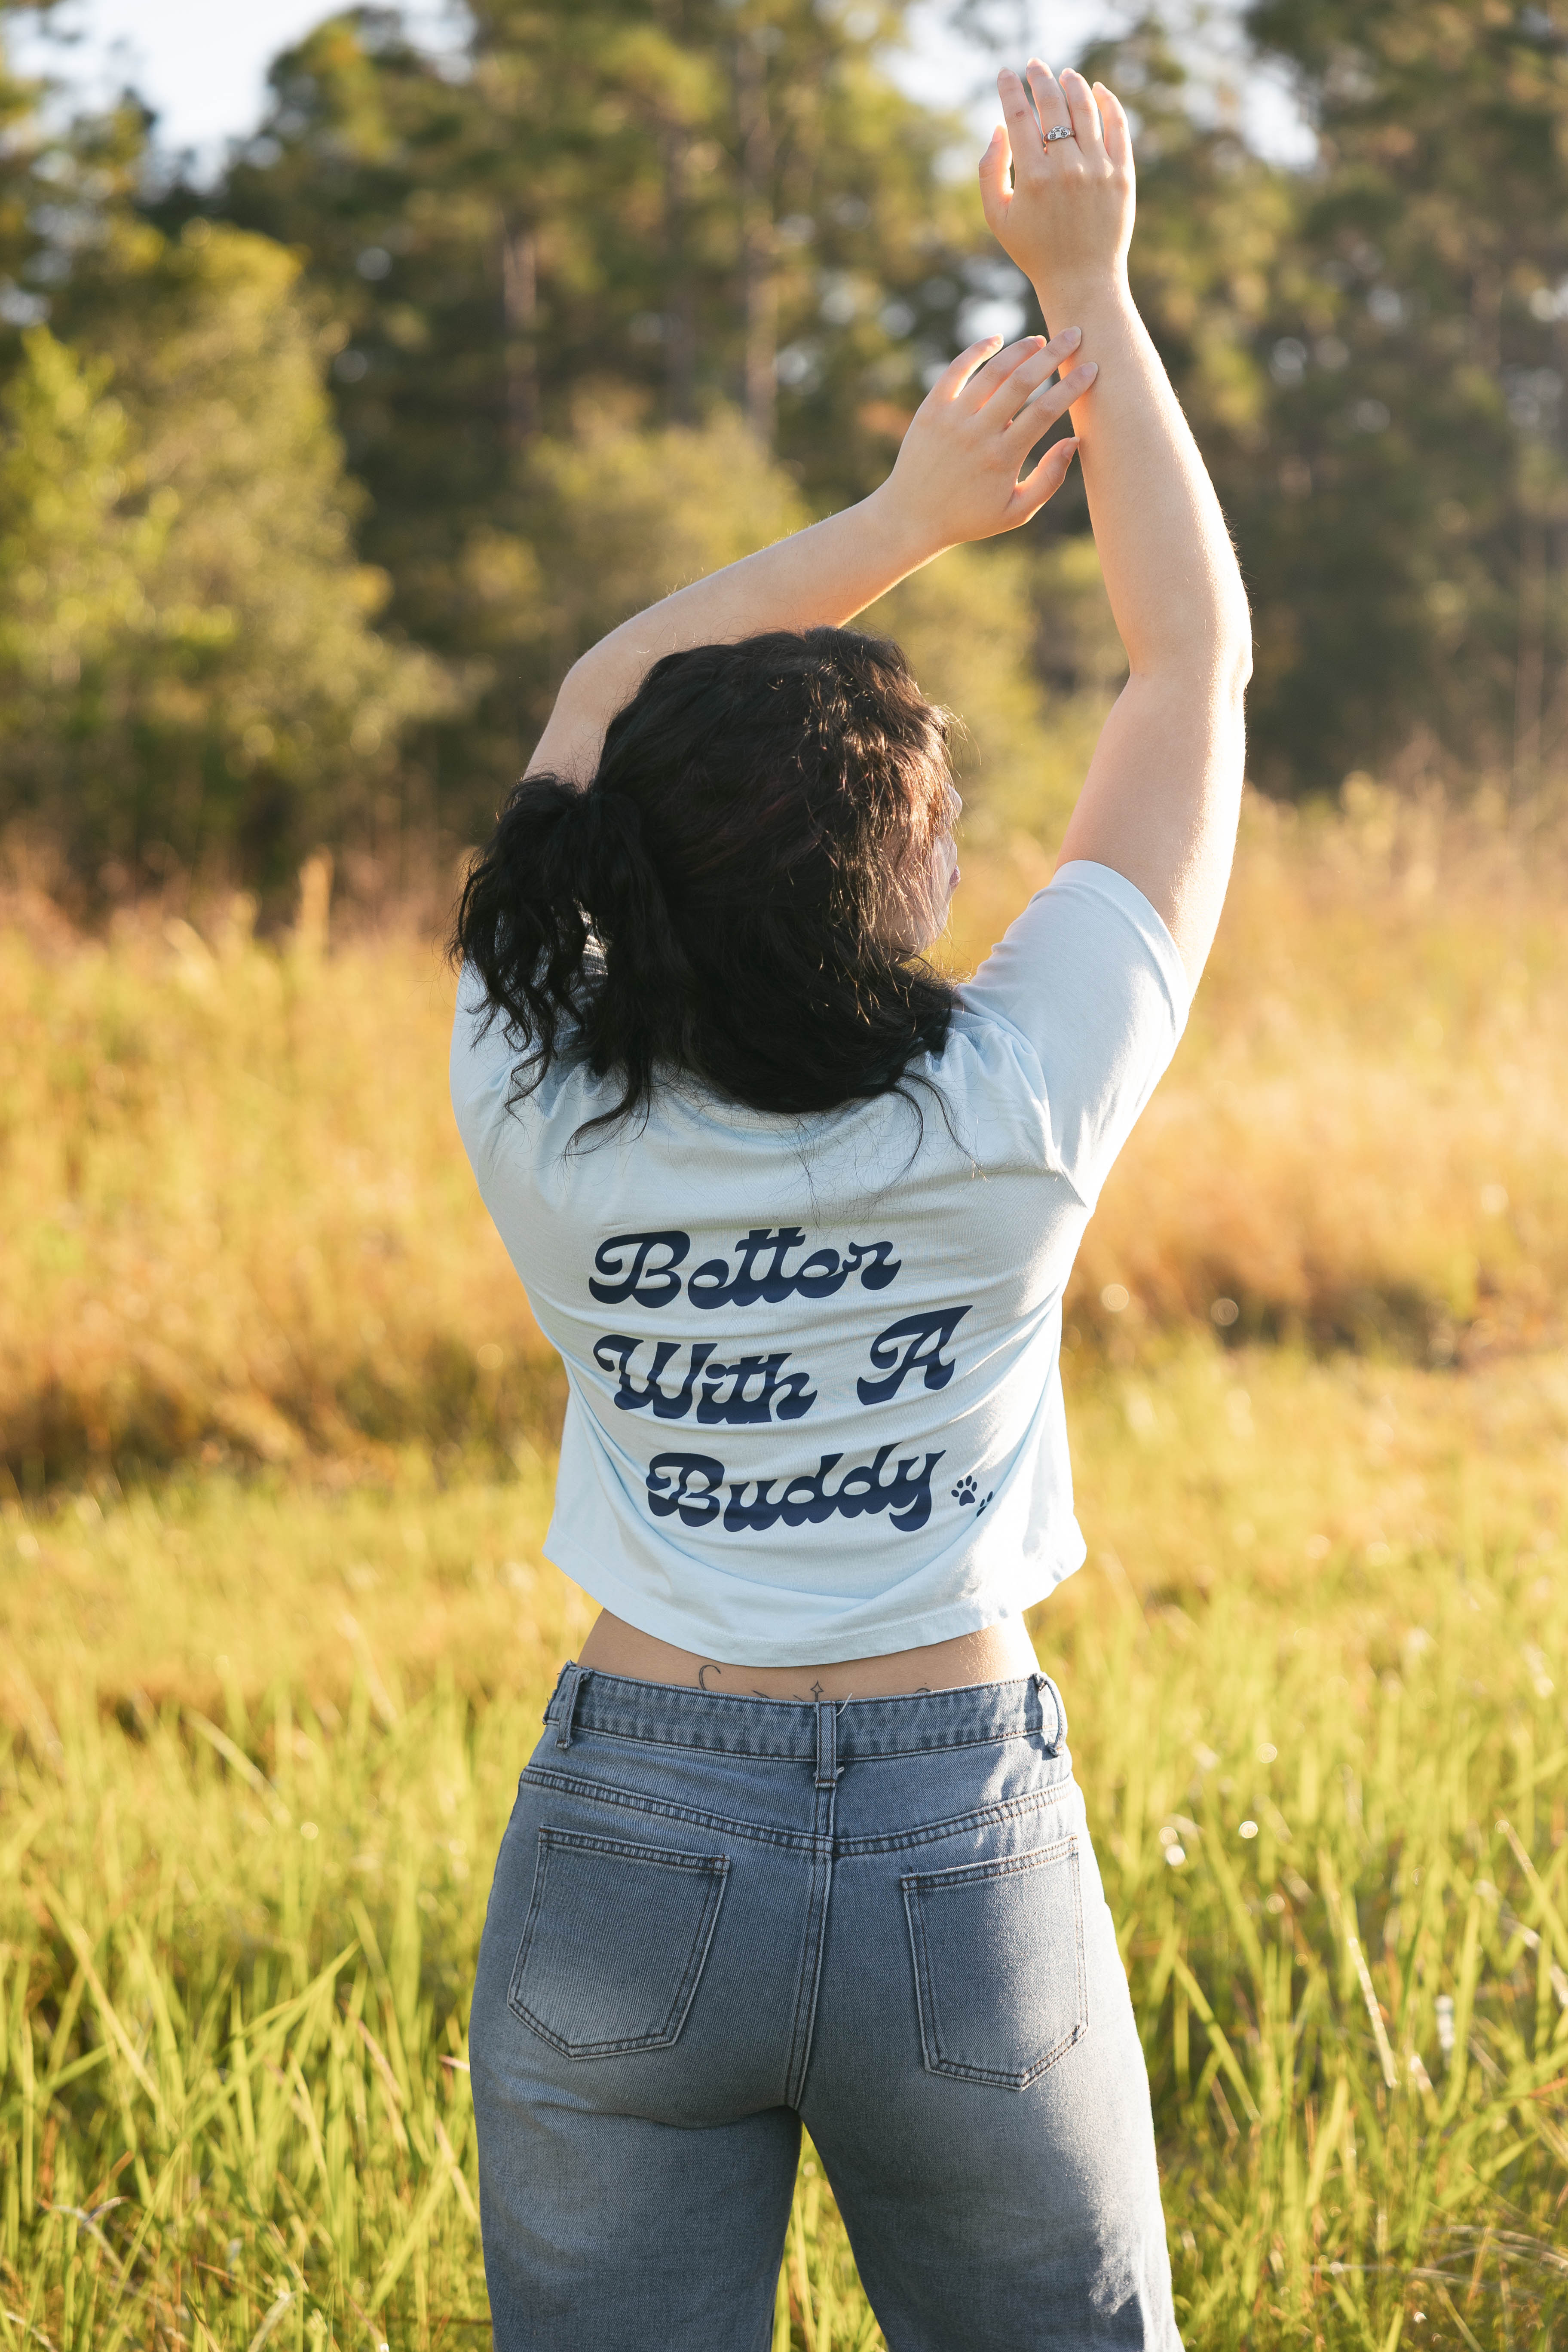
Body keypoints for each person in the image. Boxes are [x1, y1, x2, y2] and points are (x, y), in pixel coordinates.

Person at [450, 55, 1250, 2352]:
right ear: (911, 885)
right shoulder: (1013, 1099)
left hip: (627, 1841)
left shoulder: (534, 1087)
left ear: (629, 878)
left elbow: (603, 692)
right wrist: (1088, 294)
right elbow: (1195, 667)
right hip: (955, 1850)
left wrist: (900, 511)